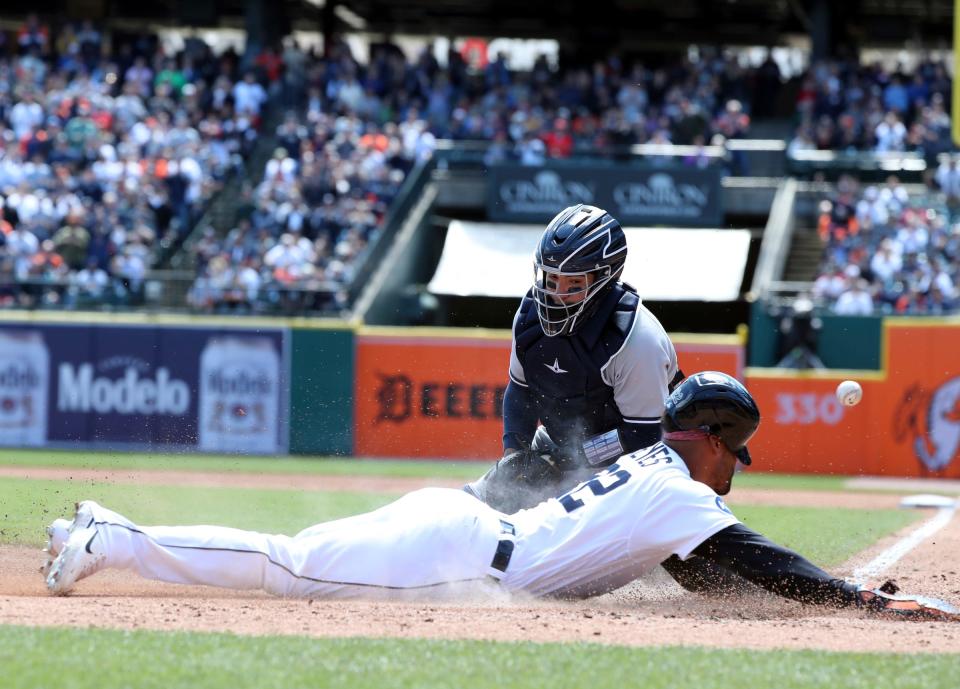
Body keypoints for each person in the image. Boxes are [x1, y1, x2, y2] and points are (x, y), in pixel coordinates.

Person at [41, 371, 957, 620]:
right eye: (735, 457)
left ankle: (107, 530)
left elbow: (719, 574)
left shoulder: (660, 479)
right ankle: (112, 538)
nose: (733, 473)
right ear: (711, 441)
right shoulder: (683, 495)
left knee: (294, 556)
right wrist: (860, 599)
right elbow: (763, 561)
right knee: (288, 566)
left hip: (465, 526)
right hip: (457, 553)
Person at [465, 204, 681, 512]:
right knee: (475, 502)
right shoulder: (528, 318)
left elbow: (644, 434)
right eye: (551, 280)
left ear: (604, 280)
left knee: (572, 539)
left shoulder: (637, 339)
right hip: (562, 448)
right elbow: (520, 392)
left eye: (574, 285)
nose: (556, 295)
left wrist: (572, 459)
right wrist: (516, 455)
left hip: (647, 464)